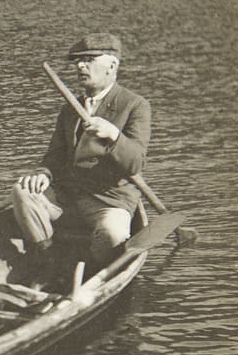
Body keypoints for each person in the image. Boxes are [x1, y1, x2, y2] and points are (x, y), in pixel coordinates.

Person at [11, 33, 150, 273]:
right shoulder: (70, 108)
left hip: (109, 199)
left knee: (113, 234)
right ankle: (48, 260)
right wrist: (43, 173)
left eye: (88, 59)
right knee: (22, 192)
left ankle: (92, 270)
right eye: (77, 61)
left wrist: (114, 136)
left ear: (112, 65)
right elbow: (54, 156)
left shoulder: (135, 105)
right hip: (69, 196)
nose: (80, 66)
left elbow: (136, 163)